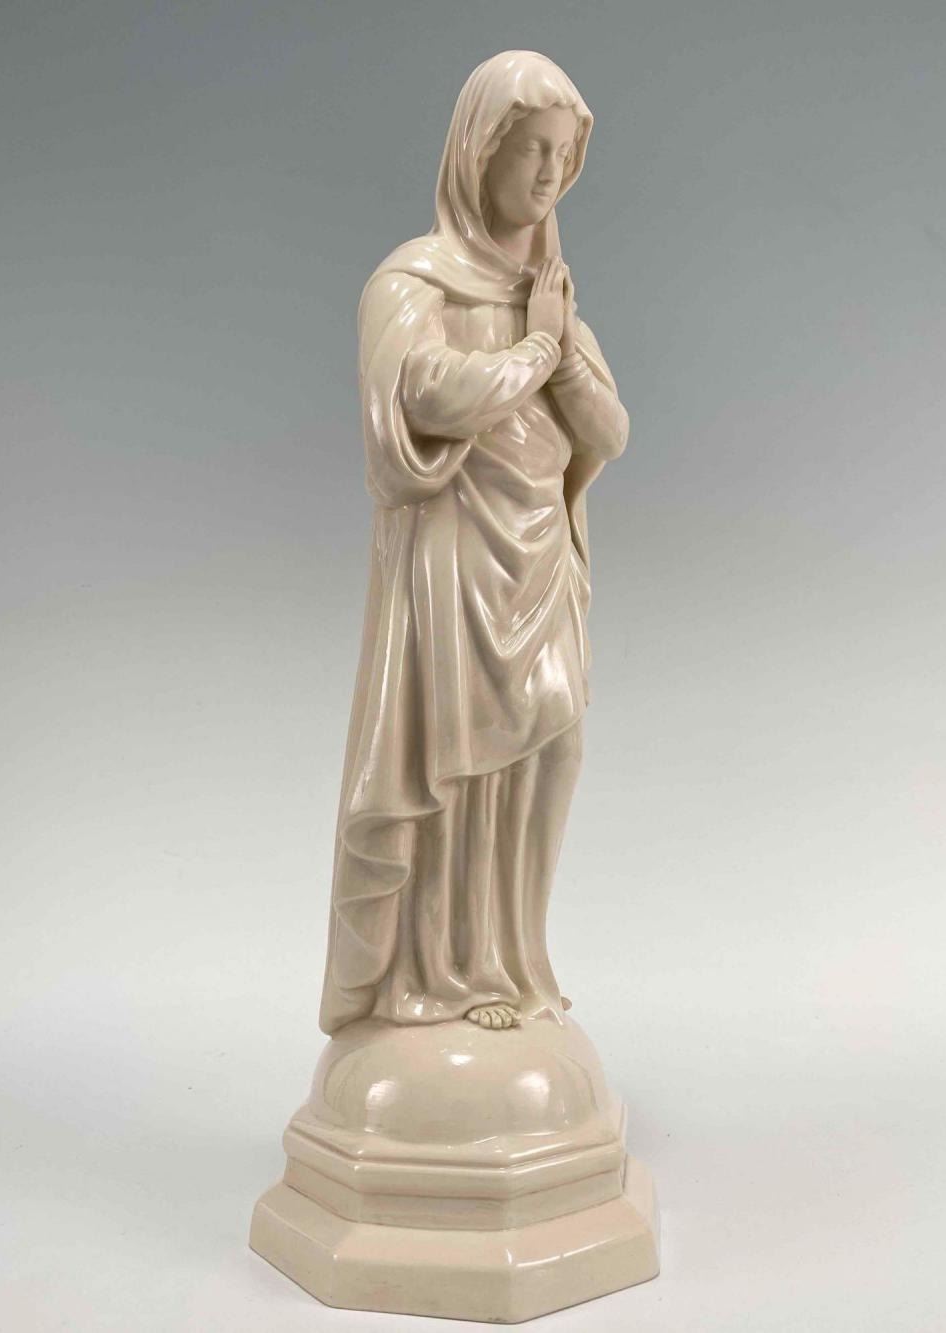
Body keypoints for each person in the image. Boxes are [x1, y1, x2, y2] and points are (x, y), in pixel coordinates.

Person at [318, 50, 630, 1036]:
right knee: (456, 766)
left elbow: (612, 431)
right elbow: (430, 394)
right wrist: (536, 346)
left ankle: (519, 953)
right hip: (455, 562)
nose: (549, 174)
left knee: (553, 742)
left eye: (563, 155)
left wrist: (559, 349)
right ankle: (444, 973)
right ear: (477, 151)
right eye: (531, 149)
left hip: (539, 556)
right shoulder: (413, 282)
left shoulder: (546, 289)